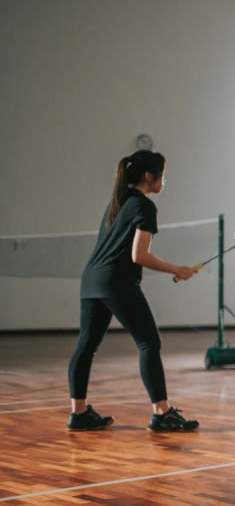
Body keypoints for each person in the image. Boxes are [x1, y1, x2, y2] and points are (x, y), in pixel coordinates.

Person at [66, 150, 200, 432]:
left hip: (91, 280)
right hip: (116, 282)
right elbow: (139, 256)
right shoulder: (144, 206)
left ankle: (78, 413)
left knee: (86, 346)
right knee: (149, 343)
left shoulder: (118, 201)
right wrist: (178, 269)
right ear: (149, 176)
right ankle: (161, 413)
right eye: (163, 175)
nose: (166, 181)